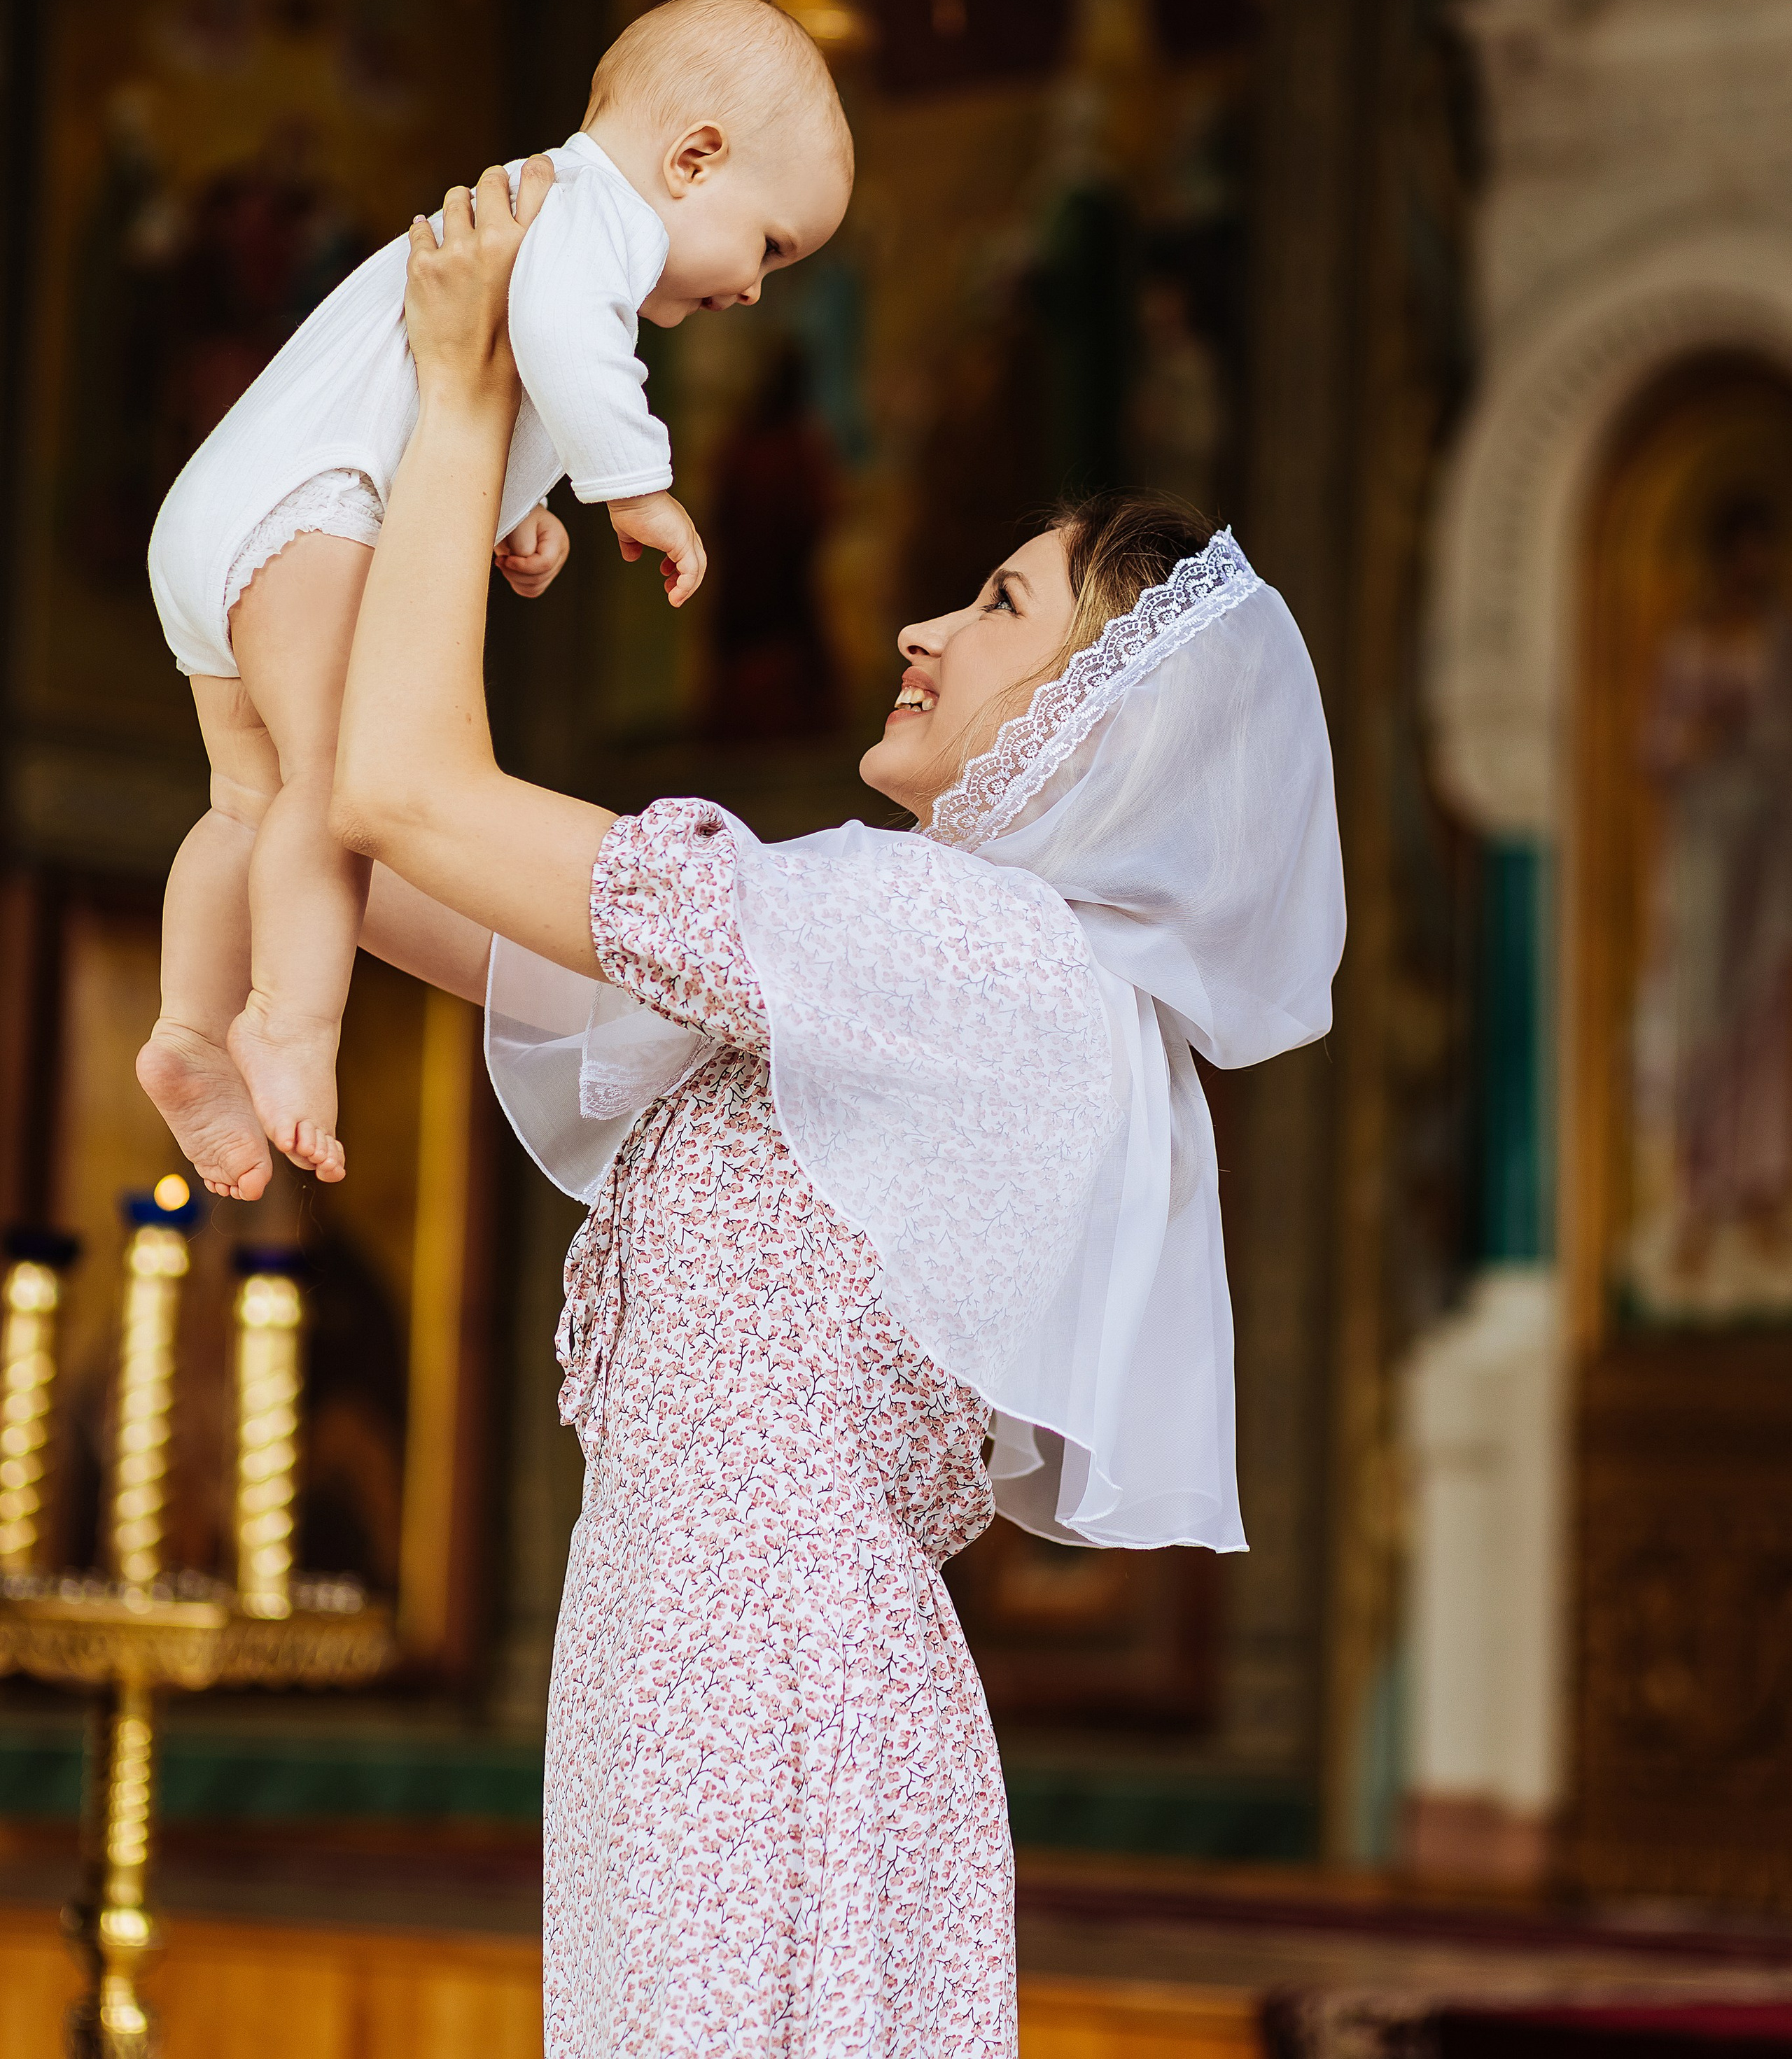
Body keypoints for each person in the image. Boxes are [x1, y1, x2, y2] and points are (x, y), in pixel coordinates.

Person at [330, 167, 1345, 2058]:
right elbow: (394, 876)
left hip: (752, 1670)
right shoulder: (902, 969)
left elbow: (396, 796)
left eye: (999, 598)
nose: (925, 631)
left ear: (1092, 722)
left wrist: (467, 393)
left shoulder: (964, 943)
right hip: (738, 1656)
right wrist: (304, 586)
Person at [135, 0, 853, 1205]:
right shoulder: (591, 218)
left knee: (249, 800)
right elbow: (570, 341)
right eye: (771, 248)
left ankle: (191, 1030)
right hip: (306, 515)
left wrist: (515, 506)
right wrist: (636, 489)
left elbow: (456, 375)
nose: (754, 292)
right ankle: (289, 1023)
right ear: (693, 161)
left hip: (234, 525)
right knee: (328, 784)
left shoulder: (535, 218)